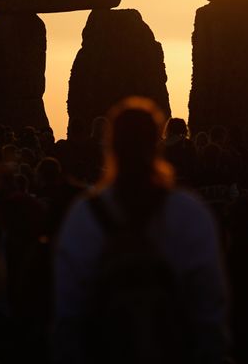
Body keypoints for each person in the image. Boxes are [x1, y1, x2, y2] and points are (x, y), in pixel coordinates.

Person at [53, 97, 228, 364]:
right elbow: (210, 302)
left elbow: (67, 310)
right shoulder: (190, 213)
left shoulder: (83, 217)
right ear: (157, 144)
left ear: (110, 146)